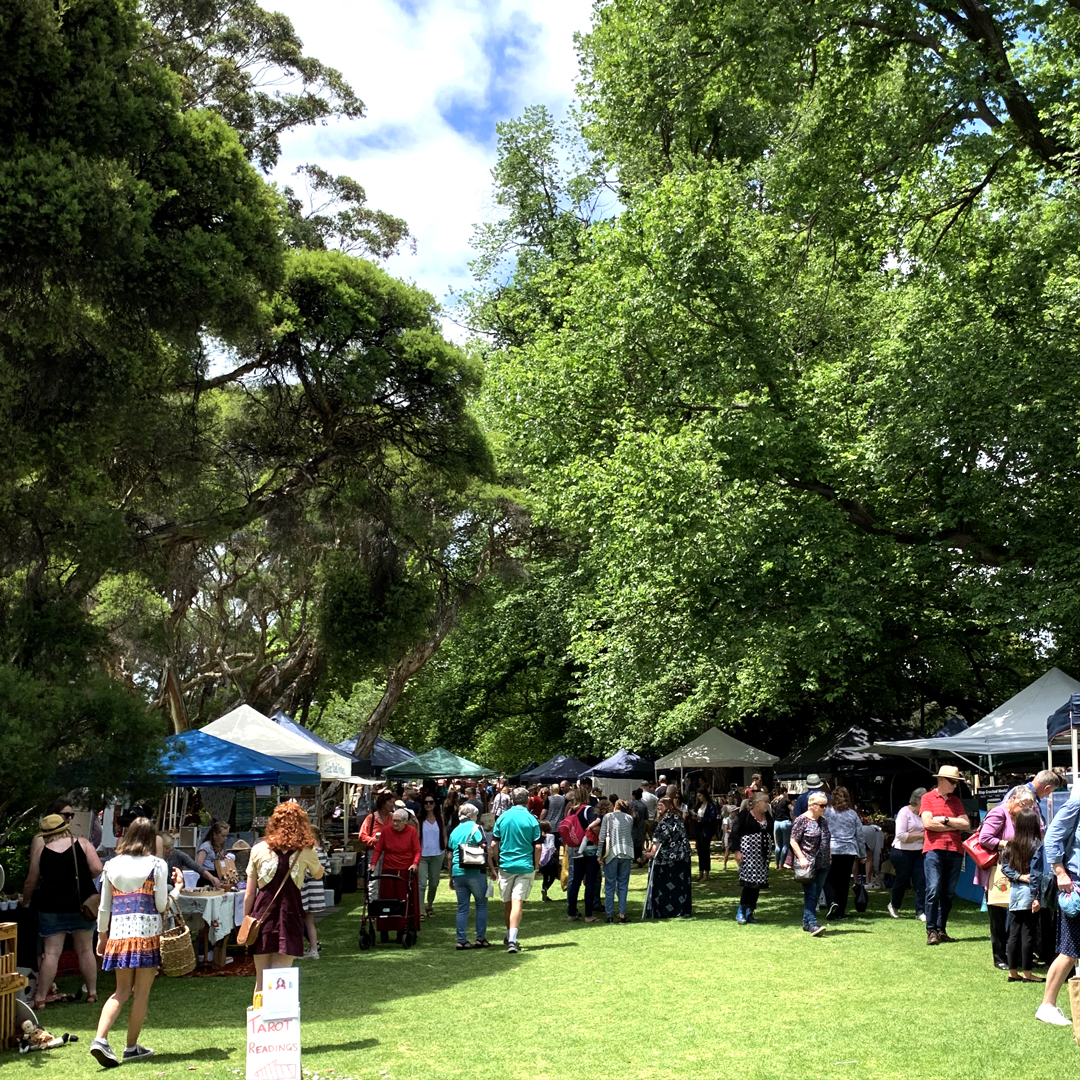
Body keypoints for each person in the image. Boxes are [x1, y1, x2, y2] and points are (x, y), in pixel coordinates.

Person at [90, 817, 183, 1068]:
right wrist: (178, 889)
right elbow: (162, 905)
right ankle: (131, 1047)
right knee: (141, 993)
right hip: (147, 936)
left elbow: (104, 907)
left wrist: (101, 936)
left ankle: (100, 1039)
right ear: (152, 838)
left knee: (120, 991)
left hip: (119, 936)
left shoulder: (111, 865)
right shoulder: (157, 865)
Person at [21, 806, 103, 1009]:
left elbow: (31, 882)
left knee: (50, 954)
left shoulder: (41, 852)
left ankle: (40, 998)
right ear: (65, 827)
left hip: (51, 907)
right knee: (85, 950)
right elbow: (97, 869)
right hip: (82, 906)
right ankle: (92, 992)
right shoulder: (82, 844)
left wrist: (25, 901)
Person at [244, 801, 324, 992]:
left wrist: (246, 921)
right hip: (289, 916)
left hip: (261, 917)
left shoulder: (258, 849)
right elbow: (319, 873)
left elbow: (249, 894)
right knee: (280, 980)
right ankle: (278, 1020)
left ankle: (258, 1019)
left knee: (261, 981)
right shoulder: (306, 851)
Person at [974, 786, 1037, 970]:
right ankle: (1000, 957)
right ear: (1014, 799)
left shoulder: (1016, 816)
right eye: (1025, 805)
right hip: (997, 873)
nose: (1027, 809)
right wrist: (1012, 845)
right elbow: (985, 839)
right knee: (999, 917)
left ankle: (1014, 957)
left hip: (1011, 872)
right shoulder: (998, 814)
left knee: (1014, 916)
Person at [1037, 788, 1080, 1025]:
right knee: (1070, 949)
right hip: (1076, 884)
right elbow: (1052, 837)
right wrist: (1060, 872)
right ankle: (1047, 1005)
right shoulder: (1076, 803)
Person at [920, 765, 970, 945]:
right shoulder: (927, 798)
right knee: (933, 889)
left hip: (955, 850)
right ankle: (931, 930)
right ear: (941, 780)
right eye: (952, 782)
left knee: (948, 893)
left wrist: (945, 819)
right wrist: (953, 825)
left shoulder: (956, 801)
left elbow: (966, 824)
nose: (955, 785)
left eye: (956, 782)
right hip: (934, 849)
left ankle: (940, 929)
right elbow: (928, 823)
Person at [1000, 807, 1048, 984]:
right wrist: (1036, 896)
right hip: (1029, 892)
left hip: (1015, 892)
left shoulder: (1011, 844)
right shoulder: (1036, 845)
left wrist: (1018, 877)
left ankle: (1013, 971)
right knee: (1028, 933)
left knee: (1014, 932)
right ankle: (1027, 973)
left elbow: (1004, 867)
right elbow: (1036, 874)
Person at [491, 787, 542, 953]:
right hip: (525, 865)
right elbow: (538, 846)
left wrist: (498, 862)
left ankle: (509, 936)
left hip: (506, 865)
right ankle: (512, 939)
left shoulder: (502, 818)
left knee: (507, 903)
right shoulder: (532, 819)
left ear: (511, 800)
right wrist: (536, 866)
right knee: (517, 902)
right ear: (528, 800)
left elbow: (493, 844)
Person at [370, 808, 422, 943]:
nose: (395, 824)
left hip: (406, 870)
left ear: (406, 821)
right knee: (387, 900)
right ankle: (384, 929)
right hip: (389, 869)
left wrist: (415, 864)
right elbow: (378, 849)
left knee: (404, 901)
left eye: (398, 821)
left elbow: (417, 850)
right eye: (393, 821)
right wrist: (373, 864)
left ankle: (403, 928)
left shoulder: (411, 831)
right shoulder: (387, 831)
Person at [446, 803, 493, 949]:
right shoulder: (476, 828)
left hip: (458, 872)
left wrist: (450, 876)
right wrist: (492, 868)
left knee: (462, 908)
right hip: (475, 871)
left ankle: (461, 940)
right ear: (472, 815)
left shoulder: (454, 831)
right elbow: (485, 848)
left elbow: (449, 855)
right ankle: (480, 939)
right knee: (481, 904)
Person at [789, 791, 831, 936]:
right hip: (808, 863)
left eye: (826, 805)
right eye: (822, 805)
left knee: (815, 894)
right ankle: (813, 924)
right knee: (811, 894)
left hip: (823, 863)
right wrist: (801, 857)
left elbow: (826, 840)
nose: (825, 808)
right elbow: (793, 840)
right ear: (812, 806)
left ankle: (806, 923)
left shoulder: (823, 821)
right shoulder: (801, 820)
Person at [644, 798, 693, 919]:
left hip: (668, 860)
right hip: (682, 857)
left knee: (665, 888)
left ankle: (664, 911)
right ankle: (681, 909)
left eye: (661, 805)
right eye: (657, 805)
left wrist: (650, 854)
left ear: (668, 806)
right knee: (680, 887)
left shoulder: (667, 821)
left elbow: (659, 839)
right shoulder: (678, 818)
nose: (658, 808)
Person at [823, 787, 866, 921]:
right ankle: (840, 911)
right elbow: (859, 835)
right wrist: (862, 854)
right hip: (848, 850)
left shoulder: (827, 813)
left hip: (832, 849)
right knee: (843, 881)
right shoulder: (852, 814)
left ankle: (831, 901)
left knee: (828, 878)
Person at [730, 791, 773, 924]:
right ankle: (741, 911)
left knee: (758, 884)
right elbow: (734, 834)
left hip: (762, 855)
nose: (767, 805)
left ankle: (750, 911)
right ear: (757, 803)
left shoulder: (767, 816)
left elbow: (770, 830)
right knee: (749, 884)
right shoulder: (745, 815)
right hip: (748, 855)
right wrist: (737, 851)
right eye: (765, 802)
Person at [887, 788, 927, 921]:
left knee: (920, 881)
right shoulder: (904, 813)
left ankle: (920, 911)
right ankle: (894, 905)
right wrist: (922, 836)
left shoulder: (924, 814)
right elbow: (901, 836)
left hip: (919, 852)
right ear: (917, 800)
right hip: (901, 852)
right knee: (902, 880)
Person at [565, 785, 600, 924]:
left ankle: (571, 913)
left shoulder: (570, 812)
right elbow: (595, 828)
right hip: (590, 849)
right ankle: (589, 914)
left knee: (575, 882)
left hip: (574, 848)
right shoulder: (588, 810)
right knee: (590, 881)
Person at [599, 798, 634, 922]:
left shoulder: (608, 817)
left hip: (612, 852)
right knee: (623, 885)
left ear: (615, 806)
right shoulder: (629, 819)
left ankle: (609, 915)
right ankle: (622, 913)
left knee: (610, 884)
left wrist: (599, 854)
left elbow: (602, 837)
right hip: (627, 852)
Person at [300, 828, 331, 960]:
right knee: (310, 921)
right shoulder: (323, 852)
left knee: (300, 919)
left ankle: (300, 949)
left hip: (307, 889)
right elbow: (328, 870)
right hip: (318, 889)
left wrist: (301, 874)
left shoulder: (311, 852)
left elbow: (307, 872)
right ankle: (314, 949)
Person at [417, 793, 448, 920]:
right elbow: (416, 835)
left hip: (437, 854)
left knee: (434, 884)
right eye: (426, 802)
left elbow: (444, 834)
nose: (428, 805)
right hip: (422, 855)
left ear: (435, 804)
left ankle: (429, 905)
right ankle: (420, 911)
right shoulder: (419, 819)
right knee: (422, 884)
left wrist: (445, 847)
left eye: (431, 802)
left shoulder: (440, 818)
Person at [692, 789, 718, 882]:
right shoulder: (698, 805)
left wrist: (701, 819)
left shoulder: (710, 806)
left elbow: (712, 818)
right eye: (698, 796)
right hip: (699, 829)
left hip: (706, 830)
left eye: (700, 796)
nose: (699, 798)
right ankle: (700, 873)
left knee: (705, 851)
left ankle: (706, 873)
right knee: (700, 851)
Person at [771, 788, 793, 869]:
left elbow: (773, 812)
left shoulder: (773, 801)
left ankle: (776, 864)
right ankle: (781, 864)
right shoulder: (786, 800)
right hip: (785, 822)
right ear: (784, 792)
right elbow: (792, 810)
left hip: (776, 823)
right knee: (785, 844)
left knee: (778, 844)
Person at [629, 788, 649, 865]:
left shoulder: (630, 804)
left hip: (632, 826)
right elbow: (646, 817)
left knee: (632, 842)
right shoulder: (643, 805)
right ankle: (640, 856)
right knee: (639, 842)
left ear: (633, 796)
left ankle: (634, 857)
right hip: (641, 826)